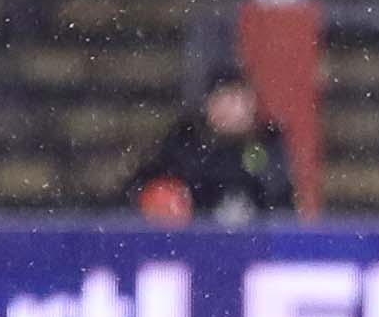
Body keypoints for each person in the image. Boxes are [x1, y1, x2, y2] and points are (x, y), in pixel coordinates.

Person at [124, 66, 297, 223]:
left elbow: (280, 202)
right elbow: (144, 189)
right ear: (207, 105)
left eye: (235, 98)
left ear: (251, 103)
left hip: (258, 246)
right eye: (220, 98)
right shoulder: (184, 144)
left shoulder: (267, 145)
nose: (228, 108)